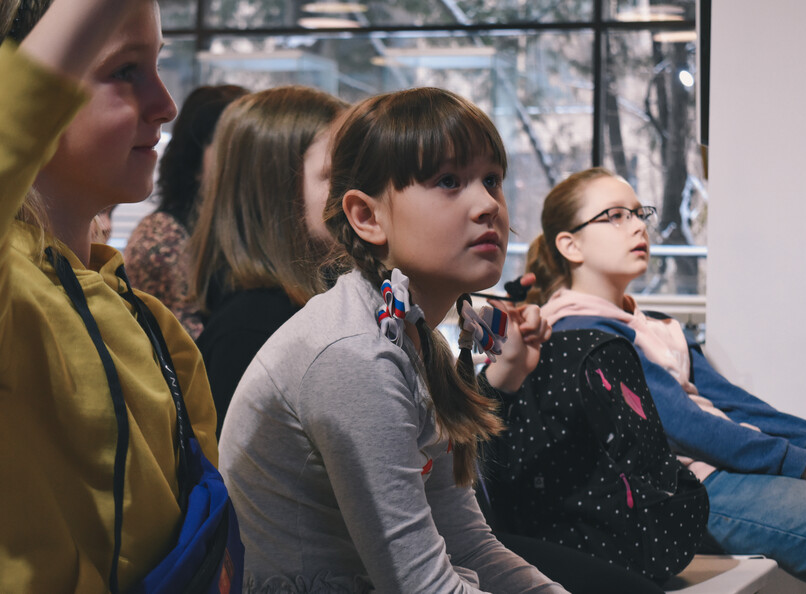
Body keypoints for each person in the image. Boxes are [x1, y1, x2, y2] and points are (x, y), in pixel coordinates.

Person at [219, 87, 569, 593]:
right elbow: (420, 586)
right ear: (367, 217)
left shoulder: (415, 338)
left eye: (492, 180)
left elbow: (468, 545)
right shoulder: (354, 354)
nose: (488, 205)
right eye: (448, 181)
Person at [523, 166, 806, 593]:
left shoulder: (653, 324)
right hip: (686, 492)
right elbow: (687, 427)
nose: (638, 226)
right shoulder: (579, 333)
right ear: (570, 244)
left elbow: (737, 404)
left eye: (640, 213)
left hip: (726, 474)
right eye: (616, 215)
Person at [0, 0, 221, 591]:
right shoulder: (13, 297)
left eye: (157, 65)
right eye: (124, 71)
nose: (165, 104)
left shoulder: (155, 325)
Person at [189, 85, 347, 435]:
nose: (356, 190)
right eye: (334, 175)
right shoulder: (252, 330)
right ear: (276, 188)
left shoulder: (325, 302)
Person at [124, 83, 248, 339]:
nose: (248, 162)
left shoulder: (244, 229)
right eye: (233, 147)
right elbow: (187, 347)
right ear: (196, 157)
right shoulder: (162, 238)